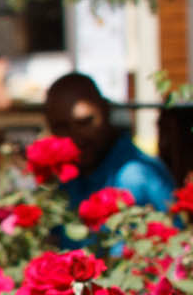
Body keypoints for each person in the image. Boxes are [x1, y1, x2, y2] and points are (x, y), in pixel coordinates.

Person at [44, 71, 174, 214]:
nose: (75, 136)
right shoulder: (65, 179)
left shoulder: (134, 176)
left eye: (84, 122)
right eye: (61, 127)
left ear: (106, 110)